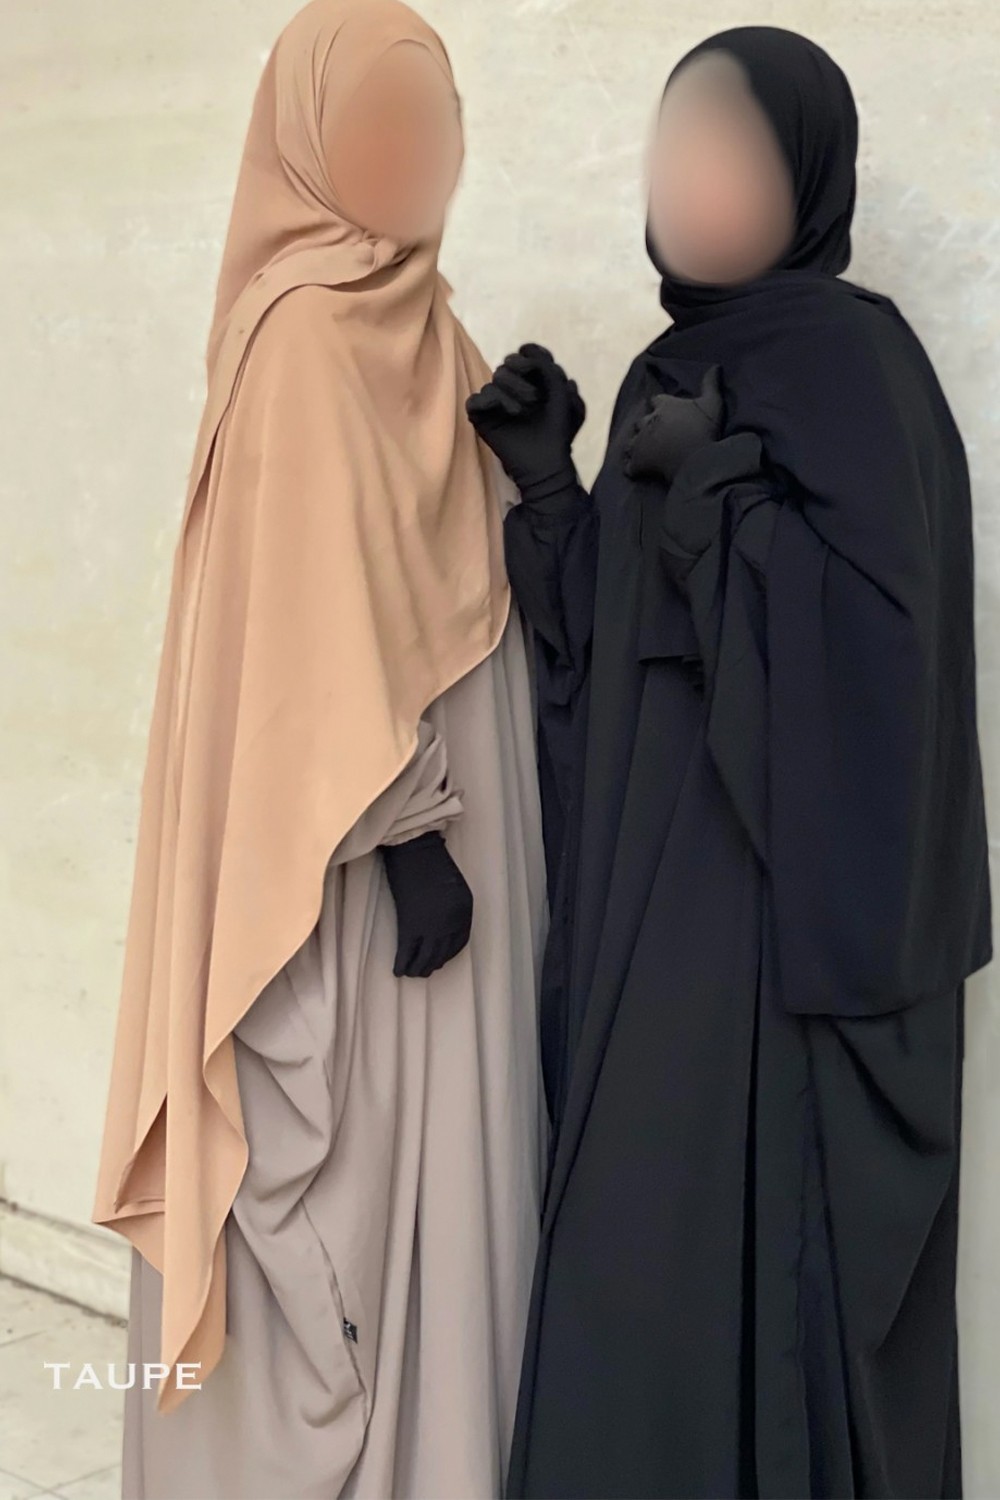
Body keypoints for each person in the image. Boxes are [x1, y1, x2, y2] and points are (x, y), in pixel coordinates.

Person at [467, 26, 992, 1500]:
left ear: (808, 176)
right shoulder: (667, 367)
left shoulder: (856, 362)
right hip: (651, 916)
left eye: (732, 149)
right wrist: (553, 490)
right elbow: (618, 660)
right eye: (673, 144)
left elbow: (883, 672)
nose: (689, 178)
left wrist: (711, 497)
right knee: (631, 1277)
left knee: (734, 1288)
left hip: (771, 947)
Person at [91, 3, 547, 1496]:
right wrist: (408, 837)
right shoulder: (299, 337)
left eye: (435, 122)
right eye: (378, 125)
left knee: (444, 1201)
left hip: (451, 851)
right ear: (306, 142)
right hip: (353, 880)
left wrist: (544, 483)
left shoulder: (436, 329)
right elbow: (298, 645)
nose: (415, 155)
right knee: (348, 1197)